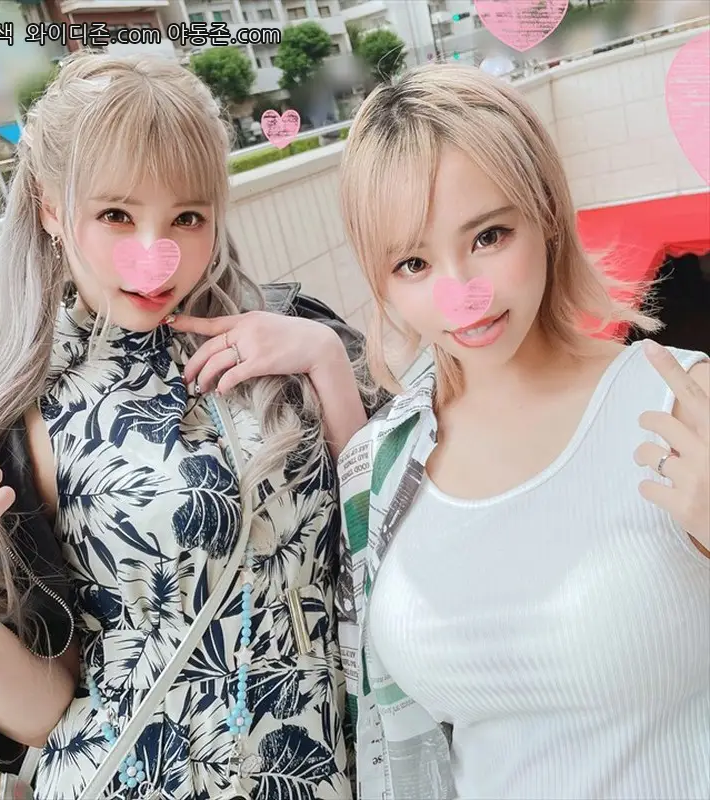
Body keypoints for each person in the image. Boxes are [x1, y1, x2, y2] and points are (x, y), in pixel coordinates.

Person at [0, 51, 385, 800]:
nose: (155, 256)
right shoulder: (12, 418)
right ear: (49, 207)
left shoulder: (290, 337)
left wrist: (326, 360)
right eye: (116, 215)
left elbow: (380, 542)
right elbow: (48, 713)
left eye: (186, 217)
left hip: (321, 769)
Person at [334, 63, 710, 800]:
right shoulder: (379, 468)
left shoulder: (682, 402)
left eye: (489, 236)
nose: (462, 293)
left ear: (546, 213)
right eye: (413, 262)